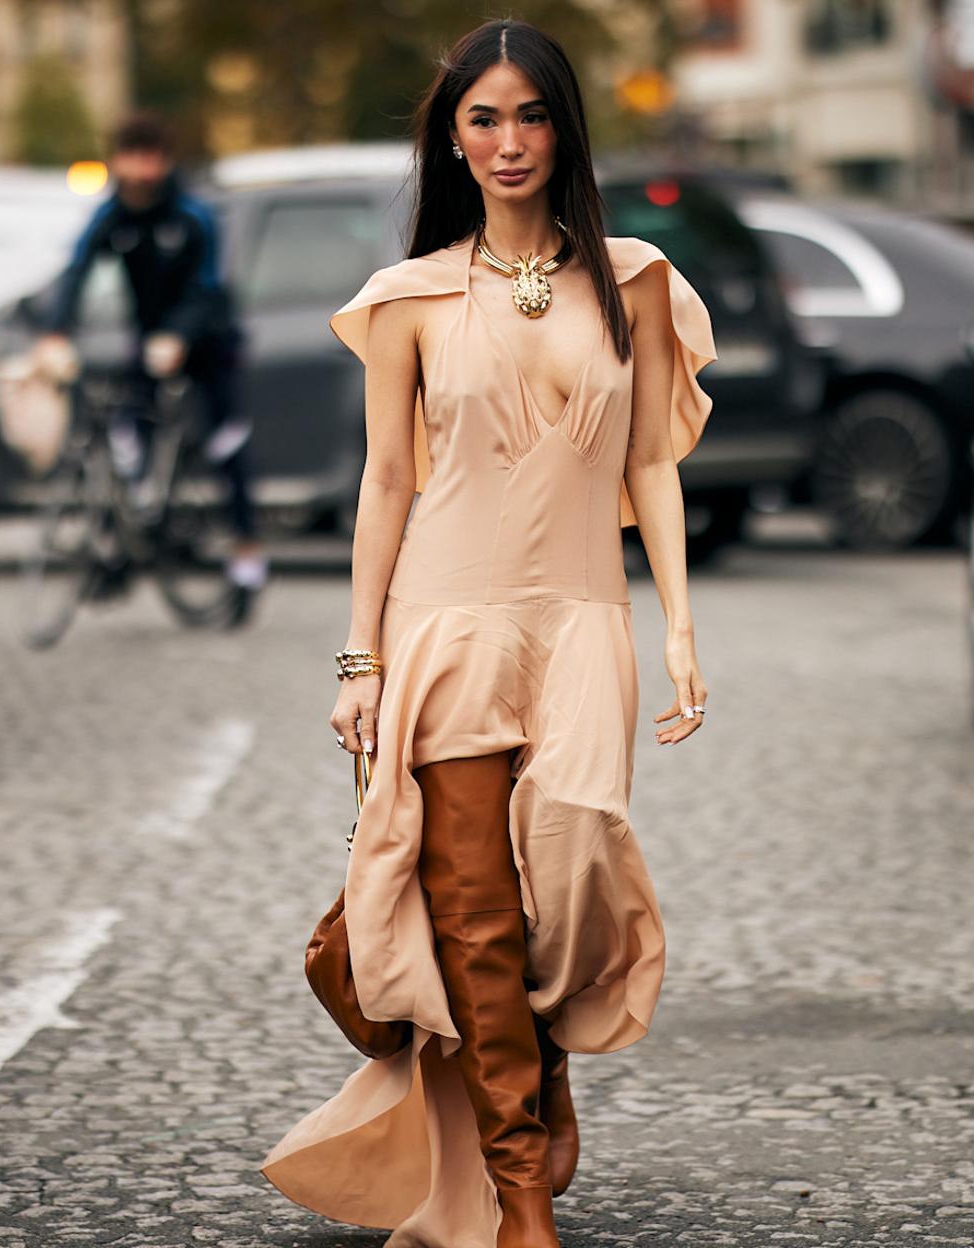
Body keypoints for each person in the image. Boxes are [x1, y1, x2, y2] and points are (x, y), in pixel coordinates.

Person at [259, 19, 714, 1248]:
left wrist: (678, 626)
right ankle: (518, 1192)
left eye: (529, 115)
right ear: (450, 138)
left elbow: (653, 463)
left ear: (563, 126)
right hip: (444, 621)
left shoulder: (632, 283)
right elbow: (387, 481)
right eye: (482, 118)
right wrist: (361, 657)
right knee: (470, 905)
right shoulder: (407, 299)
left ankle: (548, 1060)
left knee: (570, 868)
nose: (508, 141)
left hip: (579, 620)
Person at [35, 111, 267, 592]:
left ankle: (246, 543)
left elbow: (208, 286)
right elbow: (76, 270)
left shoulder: (192, 214)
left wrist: (181, 335)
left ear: (164, 162)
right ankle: (133, 519)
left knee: (226, 441)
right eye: (130, 158)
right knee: (125, 420)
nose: (139, 171)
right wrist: (55, 331)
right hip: (148, 340)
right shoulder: (111, 213)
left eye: (150, 158)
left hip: (206, 340)